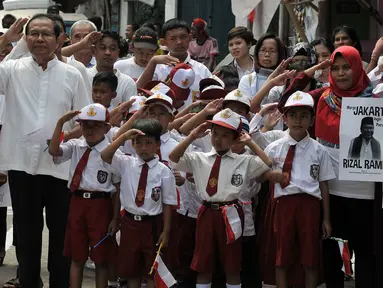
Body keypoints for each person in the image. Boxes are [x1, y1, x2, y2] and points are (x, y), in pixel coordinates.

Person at [279, 45, 381, 288]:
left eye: (347, 67)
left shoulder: (376, 103)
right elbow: (287, 101)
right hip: (330, 193)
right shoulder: (321, 98)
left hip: (365, 194)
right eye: (335, 69)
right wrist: (314, 70)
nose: (341, 73)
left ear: (357, 68)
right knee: (332, 252)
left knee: (366, 254)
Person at [0, 14, 89, 287]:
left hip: (60, 165)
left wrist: (60, 142)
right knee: (26, 234)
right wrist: (6, 40)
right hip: (21, 163)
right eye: (33, 33)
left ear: (59, 39)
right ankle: (28, 282)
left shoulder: (73, 75)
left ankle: (59, 283)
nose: (39, 39)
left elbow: (86, 121)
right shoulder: (12, 70)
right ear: (25, 38)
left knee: (61, 231)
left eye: (46, 34)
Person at [265, 91, 335, 288]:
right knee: (282, 256)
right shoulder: (274, 148)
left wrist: (326, 218)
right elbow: (260, 173)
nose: (298, 120)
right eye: (293, 115)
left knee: (310, 256)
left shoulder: (319, 150)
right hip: (283, 206)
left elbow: (324, 185)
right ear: (285, 119)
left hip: (310, 206)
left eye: (304, 116)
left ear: (312, 120)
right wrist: (270, 175)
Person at [49, 103, 120, 288]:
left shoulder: (112, 152)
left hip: (101, 205)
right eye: (85, 125)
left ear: (107, 127)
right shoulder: (75, 146)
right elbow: (54, 150)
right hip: (77, 202)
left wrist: (115, 217)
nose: (89, 130)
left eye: (95, 125)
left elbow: (118, 187)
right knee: (76, 256)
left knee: (100, 259)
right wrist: (60, 123)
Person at [101, 118, 177, 288]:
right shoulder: (126, 163)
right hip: (129, 224)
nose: (143, 148)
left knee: (151, 271)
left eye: (148, 143)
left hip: (152, 225)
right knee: (131, 272)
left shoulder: (164, 171)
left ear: (157, 144)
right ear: (133, 144)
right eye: (139, 143)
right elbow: (105, 155)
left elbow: (167, 203)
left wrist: (166, 230)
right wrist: (123, 137)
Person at [137, 18, 211, 108]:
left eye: (183, 37)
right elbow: (138, 90)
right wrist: (153, 62)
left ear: (190, 38)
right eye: (173, 39)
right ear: (164, 42)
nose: (179, 42)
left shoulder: (202, 70)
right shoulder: (156, 68)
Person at [87, 30, 137, 108]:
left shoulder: (127, 83)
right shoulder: (83, 77)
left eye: (112, 48)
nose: (107, 52)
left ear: (118, 52)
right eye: (102, 48)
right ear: (94, 51)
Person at [238, 33, 287, 99]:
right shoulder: (247, 80)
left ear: (280, 54)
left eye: (272, 51)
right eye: (263, 50)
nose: (267, 54)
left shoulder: (286, 79)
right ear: (257, 53)